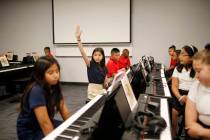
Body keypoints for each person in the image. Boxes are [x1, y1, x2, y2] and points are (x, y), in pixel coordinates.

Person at [16, 56, 70, 140]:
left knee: (69, 132)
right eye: (50, 73)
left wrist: (74, 126)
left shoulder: (54, 86)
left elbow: (64, 110)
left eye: (57, 71)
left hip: (45, 122)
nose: (56, 75)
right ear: (40, 74)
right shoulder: (36, 90)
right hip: (31, 130)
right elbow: (44, 123)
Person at [171, 45, 198, 138]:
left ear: (192, 57)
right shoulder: (178, 68)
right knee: (174, 112)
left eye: (183, 54)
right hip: (179, 94)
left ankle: (188, 134)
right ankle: (174, 135)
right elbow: (174, 86)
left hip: (193, 95)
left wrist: (189, 98)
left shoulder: (197, 70)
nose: (179, 56)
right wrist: (180, 97)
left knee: (189, 118)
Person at [75, 26, 107, 101]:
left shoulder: (105, 67)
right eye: (95, 55)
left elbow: (105, 83)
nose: (97, 57)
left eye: (99, 55)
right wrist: (78, 39)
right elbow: (82, 53)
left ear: (103, 56)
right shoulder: (90, 64)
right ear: (92, 56)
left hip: (101, 90)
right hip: (92, 91)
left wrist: (107, 83)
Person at [185, 44, 210, 139]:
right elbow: (190, 124)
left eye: (199, 71)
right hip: (198, 128)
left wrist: (202, 132)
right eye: (195, 71)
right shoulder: (196, 86)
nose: (196, 76)